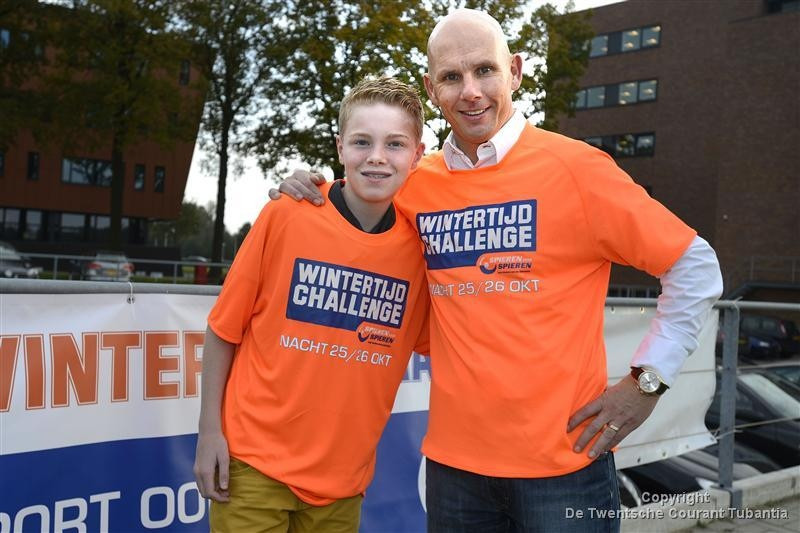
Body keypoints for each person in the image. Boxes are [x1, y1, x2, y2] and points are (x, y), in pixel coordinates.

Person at [272, 9, 723, 532]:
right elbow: (351, 213)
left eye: (484, 70)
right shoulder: (414, 183)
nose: (470, 91)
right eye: (451, 76)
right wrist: (302, 189)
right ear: (431, 87)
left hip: (567, 467)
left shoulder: (577, 169)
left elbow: (695, 266)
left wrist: (646, 384)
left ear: (515, 71)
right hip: (455, 472)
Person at [194, 76, 430, 532]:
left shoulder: (420, 247)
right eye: (362, 141)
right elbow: (223, 330)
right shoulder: (288, 213)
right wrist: (208, 433)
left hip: (343, 483)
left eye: (395, 144)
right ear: (340, 147)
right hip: (252, 466)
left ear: (417, 155)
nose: (377, 156)